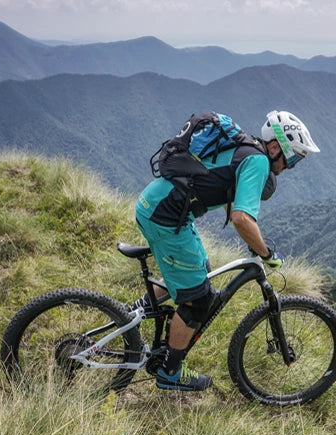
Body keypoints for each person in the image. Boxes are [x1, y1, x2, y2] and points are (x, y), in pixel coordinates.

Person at [133, 110, 320, 391]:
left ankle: (131, 316)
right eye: (292, 157)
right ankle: (170, 373)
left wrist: (252, 238)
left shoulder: (244, 150)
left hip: (161, 207)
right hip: (165, 216)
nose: (291, 165)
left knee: (201, 274)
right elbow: (241, 218)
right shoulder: (257, 161)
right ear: (274, 146)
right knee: (198, 300)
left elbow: (227, 194)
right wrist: (266, 253)